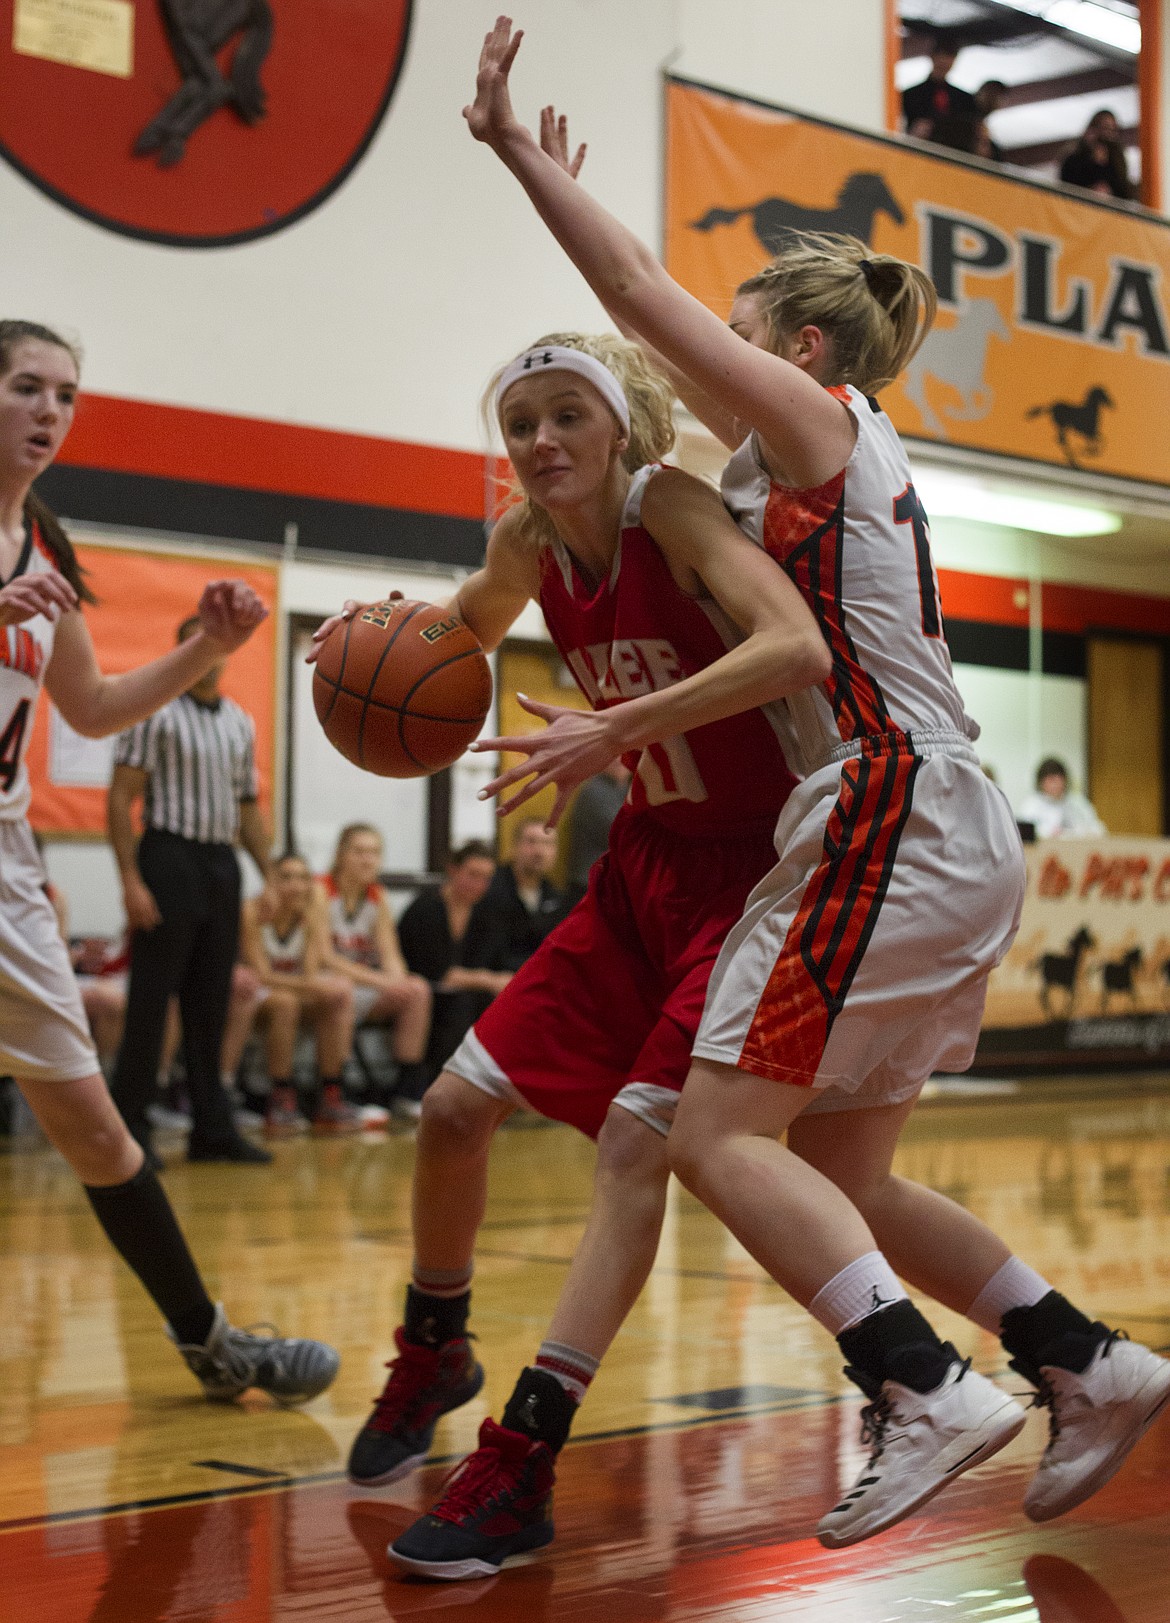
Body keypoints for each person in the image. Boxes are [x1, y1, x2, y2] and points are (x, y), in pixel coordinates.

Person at [388, 18, 1170, 1570]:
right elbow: (621, 429)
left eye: (731, 338)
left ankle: (918, 1382)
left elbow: (627, 298)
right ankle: (1088, 1356)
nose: (703, 363)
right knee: (838, 1173)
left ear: (794, 353)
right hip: (929, 816)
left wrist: (519, 153)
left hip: (883, 799)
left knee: (707, 1136)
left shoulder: (816, 430)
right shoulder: (760, 479)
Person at [309, 322, 832, 1574]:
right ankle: (437, 1344)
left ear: (619, 425)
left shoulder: (674, 509)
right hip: (644, 868)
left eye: (565, 416)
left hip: (762, 871)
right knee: (447, 1110)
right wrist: (365, 656)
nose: (540, 442)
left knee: (633, 1150)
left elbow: (794, 648)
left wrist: (618, 724)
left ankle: (524, 1459)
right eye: (520, 422)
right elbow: (460, 636)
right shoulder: (528, 543)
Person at [0, 318, 338, 1402]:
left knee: (94, 1126)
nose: (49, 410)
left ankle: (210, 1343)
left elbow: (93, 711)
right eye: (25, 387)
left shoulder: (42, 554)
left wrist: (209, 649)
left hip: (7, 867)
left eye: (65, 393)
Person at [108, 614, 275, 1167]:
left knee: (212, 1002)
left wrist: (270, 874)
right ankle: (130, 1129)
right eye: (199, 646)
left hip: (219, 862)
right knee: (151, 1002)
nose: (212, 656)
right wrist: (131, 879)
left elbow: (248, 808)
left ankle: (212, 1130)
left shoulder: (239, 722)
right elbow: (120, 797)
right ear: (183, 653)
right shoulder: (152, 711)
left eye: (219, 647)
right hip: (168, 856)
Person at [319, 823, 433, 1122]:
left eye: (374, 852)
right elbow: (324, 958)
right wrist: (381, 980)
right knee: (341, 989)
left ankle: (405, 1090)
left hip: (358, 984)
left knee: (417, 989)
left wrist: (398, 979)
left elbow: (390, 953)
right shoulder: (320, 891)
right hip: (322, 984)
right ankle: (335, 1092)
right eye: (359, 851)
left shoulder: (376, 897)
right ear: (341, 855)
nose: (367, 859)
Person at [240, 850, 358, 1134]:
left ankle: (331, 1093)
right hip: (251, 997)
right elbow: (261, 975)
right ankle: (281, 1096)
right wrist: (313, 985)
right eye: (286, 877)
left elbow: (309, 970)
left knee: (332, 999)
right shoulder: (252, 911)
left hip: (290, 989)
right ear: (271, 882)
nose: (296, 885)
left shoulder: (312, 911)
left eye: (304, 878)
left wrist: (320, 986)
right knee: (286, 1003)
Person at [396, 841, 511, 1080]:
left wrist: (491, 979)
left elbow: (491, 960)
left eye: (485, 878)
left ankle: (495, 1079)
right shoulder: (426, 908)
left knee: (496, 1000)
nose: (478, 884)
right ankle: (436, 1080)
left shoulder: (486, 913)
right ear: (453, 870)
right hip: (422, 990)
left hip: (465, 991)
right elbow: (438, 972)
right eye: (472, 875)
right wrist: (489, 979)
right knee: (460, 1003)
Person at [477, 815, 565, 970]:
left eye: (547, 843)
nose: (539, 851)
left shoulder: (555, 896)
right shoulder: (490, 888)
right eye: (531, 842)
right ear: (514, 846)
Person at [564, 759, 630, 899]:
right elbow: (623, 835)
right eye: (613, 754)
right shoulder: (594, 790)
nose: (619, 759)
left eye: (625, 753)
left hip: (608, 884)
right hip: (590, 886)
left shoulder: (624, 789)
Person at [901, 33, 975, 141]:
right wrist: (912, 134)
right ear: (932, 56)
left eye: (950, 56)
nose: (944, 61)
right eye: (941, 55)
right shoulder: (909, 95)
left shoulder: (965, 99)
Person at [1017, 757, 1106, 839]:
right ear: (1041, 782)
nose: (1055, 784)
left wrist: (1073, 833)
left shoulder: (1078, 803)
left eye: (1058, 779)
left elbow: (1099, 829)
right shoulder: (1031, 805)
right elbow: (1025, 834)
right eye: (1051, 780)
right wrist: (1050, 833)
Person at [1059, 110, 1135, 201]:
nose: (1107, 134)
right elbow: (1067, 184)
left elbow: (1123, 189)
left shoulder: (1117, 159)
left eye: (1112, 129)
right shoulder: (1075, 157)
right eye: (1104, 128)